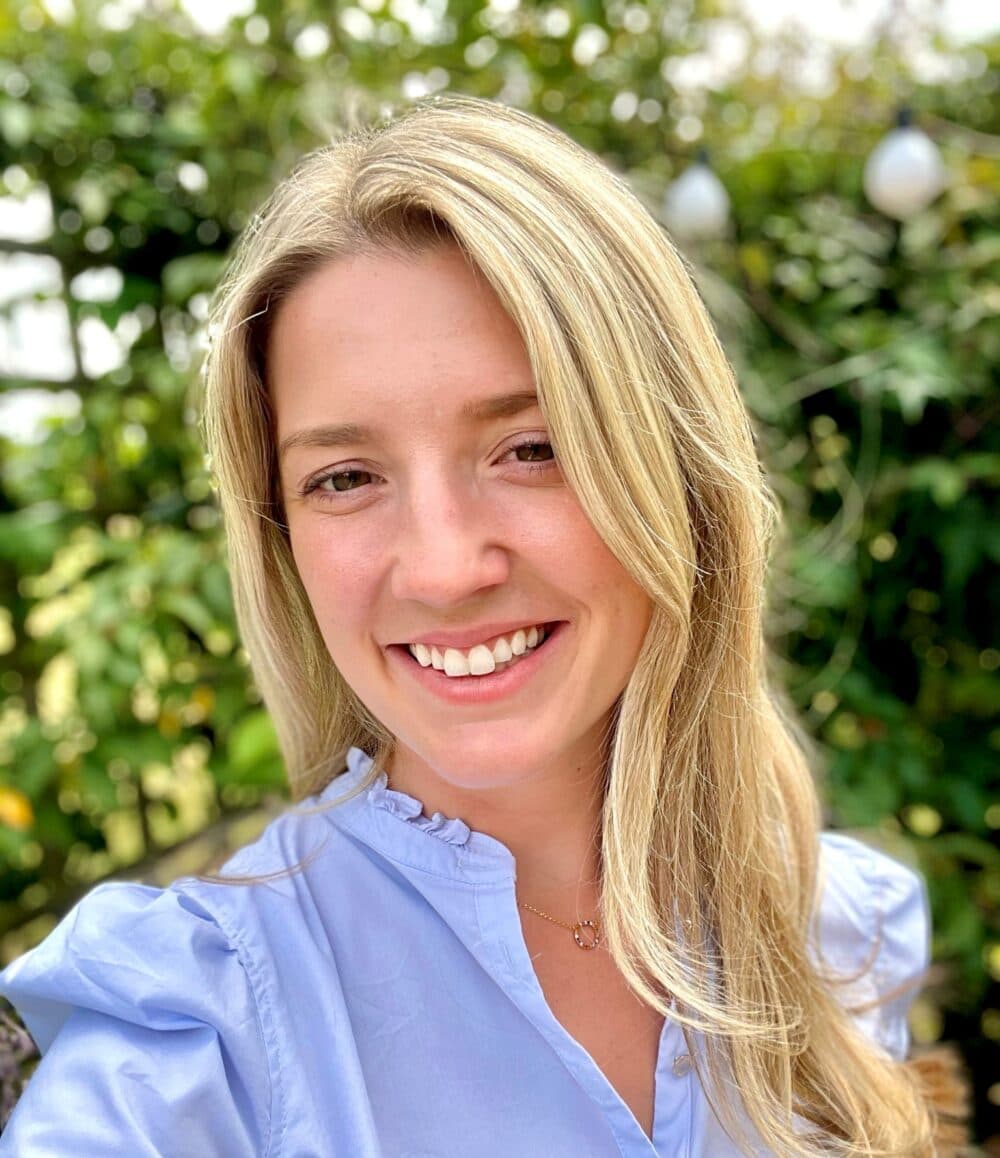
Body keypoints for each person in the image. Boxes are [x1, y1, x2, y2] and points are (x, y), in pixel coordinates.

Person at [0, 96, 954, 1156]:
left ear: (676, 476)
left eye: (532, 449)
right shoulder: (196, 1035)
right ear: (282, 538)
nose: (446, 569)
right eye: (346, 477)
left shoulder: (834, 928)